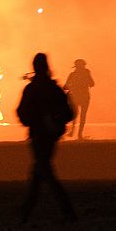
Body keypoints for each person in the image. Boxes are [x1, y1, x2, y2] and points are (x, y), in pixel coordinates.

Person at [16, 53, 77, 222]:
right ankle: (26, 213)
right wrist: (54, 121)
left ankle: (28, 213)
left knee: (44, 172)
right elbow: (69, 113)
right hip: (50, 137)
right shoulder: (53, 89)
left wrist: (36, 121)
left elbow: (22, 113)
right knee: (41, 171)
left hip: (39, 136)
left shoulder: (32, 89)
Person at [64, 59, 95, 140]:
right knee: (82, 116)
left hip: (76, 96)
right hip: (84, 96)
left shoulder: (72, 75)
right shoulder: (86, 73)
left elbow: (65, 87)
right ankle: (79, 134)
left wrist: (72, 86)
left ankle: (73, 132)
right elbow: (92, 83)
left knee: (75, 114)